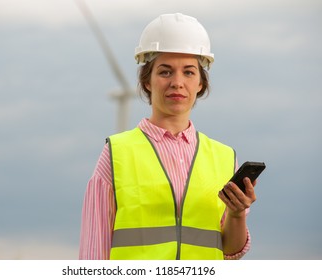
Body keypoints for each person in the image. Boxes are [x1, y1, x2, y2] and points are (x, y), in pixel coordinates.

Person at [79, 13, 257, 260]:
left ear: (201, 84)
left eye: (188, 72)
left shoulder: (224, 158)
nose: (177, 82)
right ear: (147, 81)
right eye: (165, 72)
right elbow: (93, 252)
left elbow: (230, 251)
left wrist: (237, 214)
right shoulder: (116, 154)